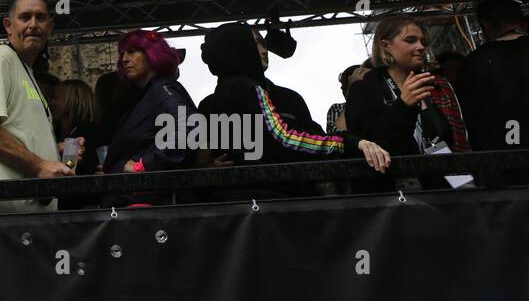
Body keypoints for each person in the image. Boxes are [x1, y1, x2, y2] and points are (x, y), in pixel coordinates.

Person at [200, 23, 390, 200]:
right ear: (240, 50)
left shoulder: (221, 94)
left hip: (232, 206)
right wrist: (347, 144)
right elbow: (284, 139)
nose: (264, 50)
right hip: (270, 202)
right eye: (253, 44)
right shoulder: (248, 90)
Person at [0, 0, 78, 215]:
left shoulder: (25, 71)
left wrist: (56, 153)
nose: (33, 24)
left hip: (21, 220)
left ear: (50, 27)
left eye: (40, 18)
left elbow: (17, 130)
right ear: (8, 26)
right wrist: (40, 165)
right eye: (25, 17)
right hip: (1, 221)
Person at [346, 17, 466, 164]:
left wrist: (461, 180)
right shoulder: (363, 89)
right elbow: (371, 148)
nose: (421, 47)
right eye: (410, 40)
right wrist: (403, 106)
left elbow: (440, 143)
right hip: (395, 181)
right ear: (386, 46)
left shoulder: (430, 84)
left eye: (423, 42)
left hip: (441, 178)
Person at [101, 29, 197, 207]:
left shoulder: (162, 89)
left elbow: (190, 127)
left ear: (152, 54)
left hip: (151, 207)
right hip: (134, 203)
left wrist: (144, 165)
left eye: (132, 51)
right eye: (122, 53)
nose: (124, 59)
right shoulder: (145, 95)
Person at [456, 0, 529, 151]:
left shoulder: (472, 64)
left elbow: (471, 120)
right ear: (523, 23)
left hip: (504, 159)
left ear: (485, 25)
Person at [51, 80, 101, 208]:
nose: (51, 103)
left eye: (55, 98)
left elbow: (69, 167)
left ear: (71, 101)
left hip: (78, 207)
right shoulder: (56, 131)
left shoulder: (83, 133)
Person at [326, 62, 370, 133]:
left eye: (345, 84)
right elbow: (336, 137)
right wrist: (354, 95)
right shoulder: (338, 108)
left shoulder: (381, 100)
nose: (341, 88)